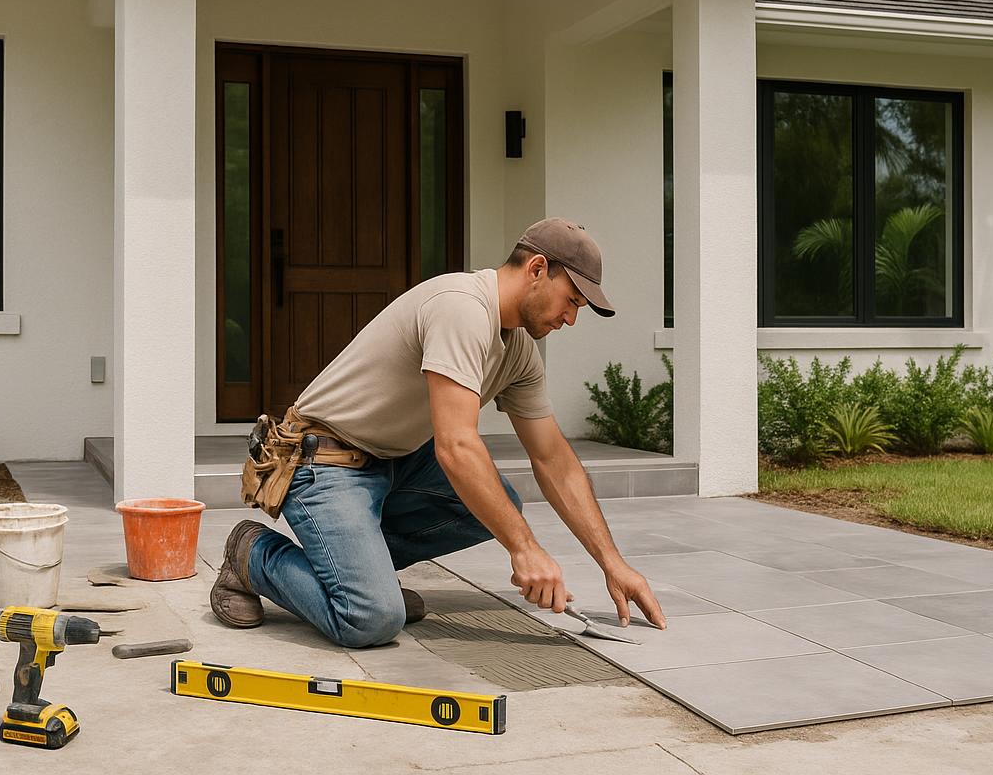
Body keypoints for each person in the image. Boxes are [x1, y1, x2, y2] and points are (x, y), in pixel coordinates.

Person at [210, 217, 668, 647]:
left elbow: (555, 461)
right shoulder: (462, 307)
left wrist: (613, 564)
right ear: (537, 269)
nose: (571, 318)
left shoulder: (520, 354)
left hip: (395, 459)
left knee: (500, 504)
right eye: (571, 301)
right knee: (370, 620)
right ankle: (253, 555)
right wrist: (524, 549)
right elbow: (455, 445)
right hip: (325, 460)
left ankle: (362, 577)